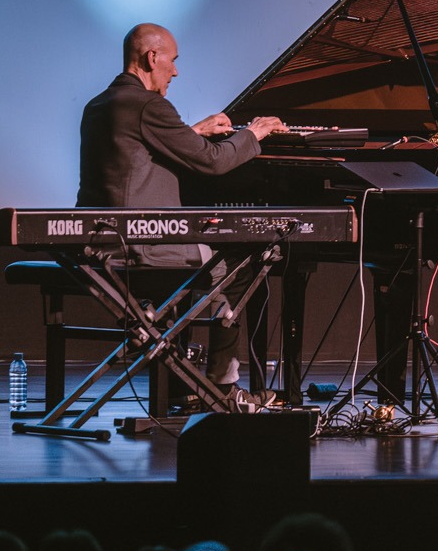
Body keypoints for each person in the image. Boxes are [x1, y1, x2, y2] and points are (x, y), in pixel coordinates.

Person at [78, 24, 286, 390]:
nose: (175, 71)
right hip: (141, 249)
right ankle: (222, 384)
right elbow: (214, 162)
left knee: (211, 262)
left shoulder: (98, 105)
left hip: (98, 246)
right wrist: (252, 134)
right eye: (172, 61)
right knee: (242, 264)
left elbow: (137, 153)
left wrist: (196, 131)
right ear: (151, 57)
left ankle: (180, 380)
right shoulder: (149, 105)